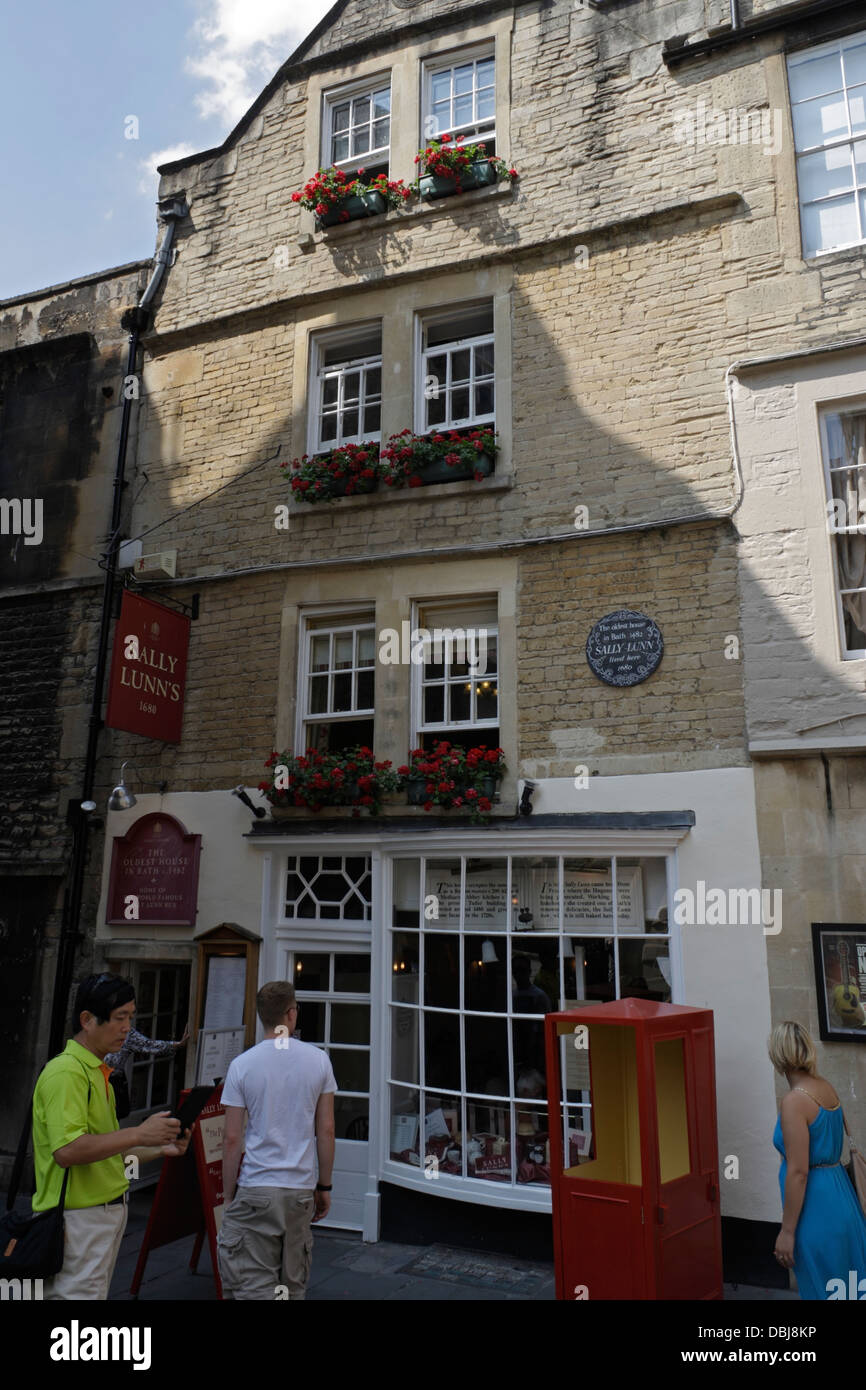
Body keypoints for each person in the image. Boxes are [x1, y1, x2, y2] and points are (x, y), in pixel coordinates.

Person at [32, 972, 190, 1300]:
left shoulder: (95, 1070)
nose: (127, 1027)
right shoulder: (67, 1073)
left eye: (130, 1017)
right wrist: (138, 1133)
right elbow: (69, 1150)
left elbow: (106, 1153)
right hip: (78, 1220)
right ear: (87, 1020)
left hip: (93, 1217)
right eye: (120, 1018)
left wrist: (159, 1147)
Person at [217, 980, 337, 1300]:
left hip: (256, 1185)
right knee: (290, 1287)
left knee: (252, 1286)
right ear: (291, 1013)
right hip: (299, 1190)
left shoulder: (241, 1066)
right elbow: (325, 1131)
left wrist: (229, 1195)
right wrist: (324, 1186)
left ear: (262, 1017)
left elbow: (231, 1139)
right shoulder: (318, 1061)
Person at [769, 1019, 866, 1299]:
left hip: (816, 1210)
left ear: (779, 1055)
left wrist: (787, 1232)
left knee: (822, 1290)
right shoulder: (825, 1087)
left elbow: (798, 1172)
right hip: (843, 1201)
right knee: (850, 1290)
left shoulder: (794, 1102)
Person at [104, 1023, 190, 1117]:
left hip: (113, 1083)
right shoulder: (94, 1029)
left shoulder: (126, 1032)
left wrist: (177, 1045)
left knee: (112, 1119)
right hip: (92, 1082)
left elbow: (149, 1045)